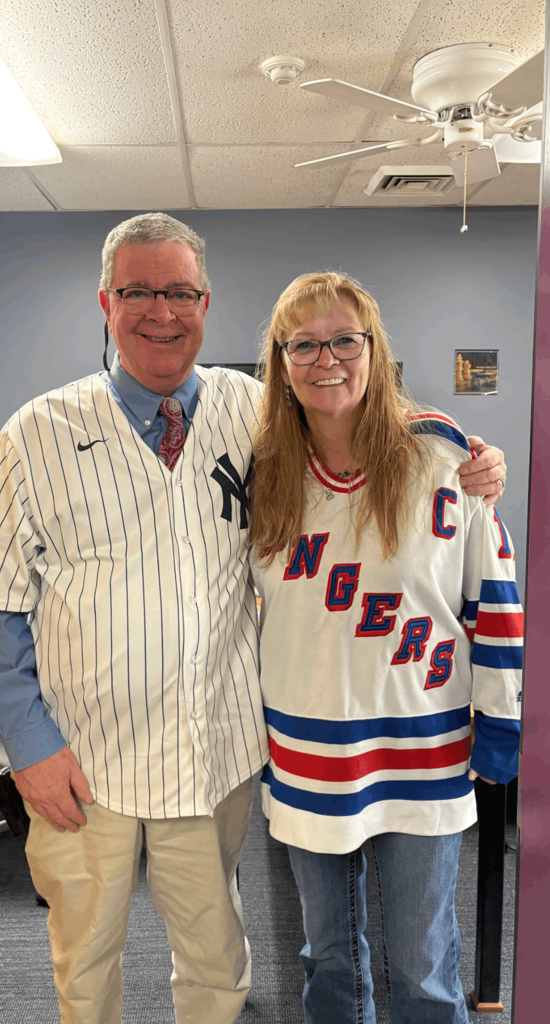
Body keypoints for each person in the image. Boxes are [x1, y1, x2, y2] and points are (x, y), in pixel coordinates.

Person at [0, 213, 507, 1024]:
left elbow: (356, 430)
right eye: (138, 291)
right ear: (105, 302)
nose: (160, 311)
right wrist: (29, 750)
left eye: (179, 291)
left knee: (218, 969)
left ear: (205, 303)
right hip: (81, 762)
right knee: (87, 965)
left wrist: (469, 456)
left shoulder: (252, 413)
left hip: (213, 760)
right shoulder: (35, 432)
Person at [249, 271, 522, 1024]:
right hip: (305, 751)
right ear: (278, 360)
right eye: (301, 344)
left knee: (423, 961)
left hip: (421, 747)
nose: (324, 359)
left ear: (372, 349)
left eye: (343, 339)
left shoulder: (445, 460)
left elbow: (491, 594)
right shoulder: (258, 473)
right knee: (327, 956)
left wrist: (500, 720)